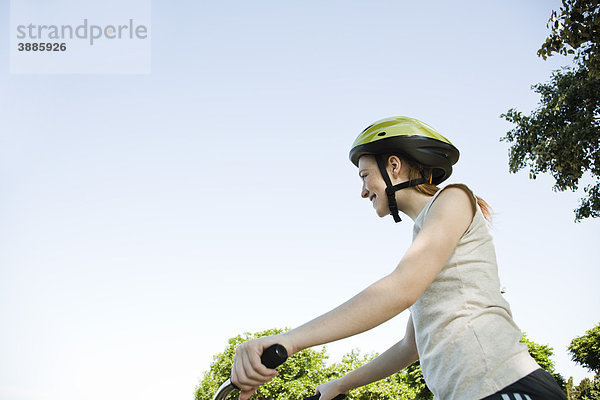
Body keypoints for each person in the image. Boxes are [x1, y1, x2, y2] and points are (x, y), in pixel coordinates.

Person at [230, 116, 566, 400]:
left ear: (393, 165)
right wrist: (338, 385)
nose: (363, 191)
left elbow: (401, 287)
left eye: (365, 176)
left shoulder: (453, 198)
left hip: (504, 385)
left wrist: (289, 341)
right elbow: (411, 346)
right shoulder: (425, 237)